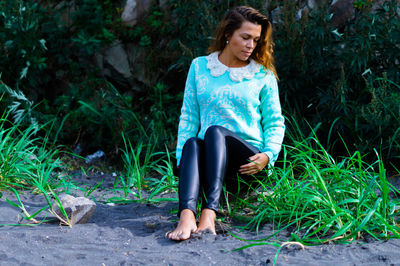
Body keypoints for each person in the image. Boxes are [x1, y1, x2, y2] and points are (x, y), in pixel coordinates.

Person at [168, 6, 285, 241]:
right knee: (192, 143)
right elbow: (189, 117)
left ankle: (209, 213)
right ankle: (187, 215)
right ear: (228, 35)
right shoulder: (200, 67)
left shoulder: (263, 76)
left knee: (214, 132)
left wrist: (268, 156)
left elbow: (275, 123)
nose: (251, 45)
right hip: (210, 162)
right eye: (245, 37)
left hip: (247, 163)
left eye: (255, 40)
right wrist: (183, 161)